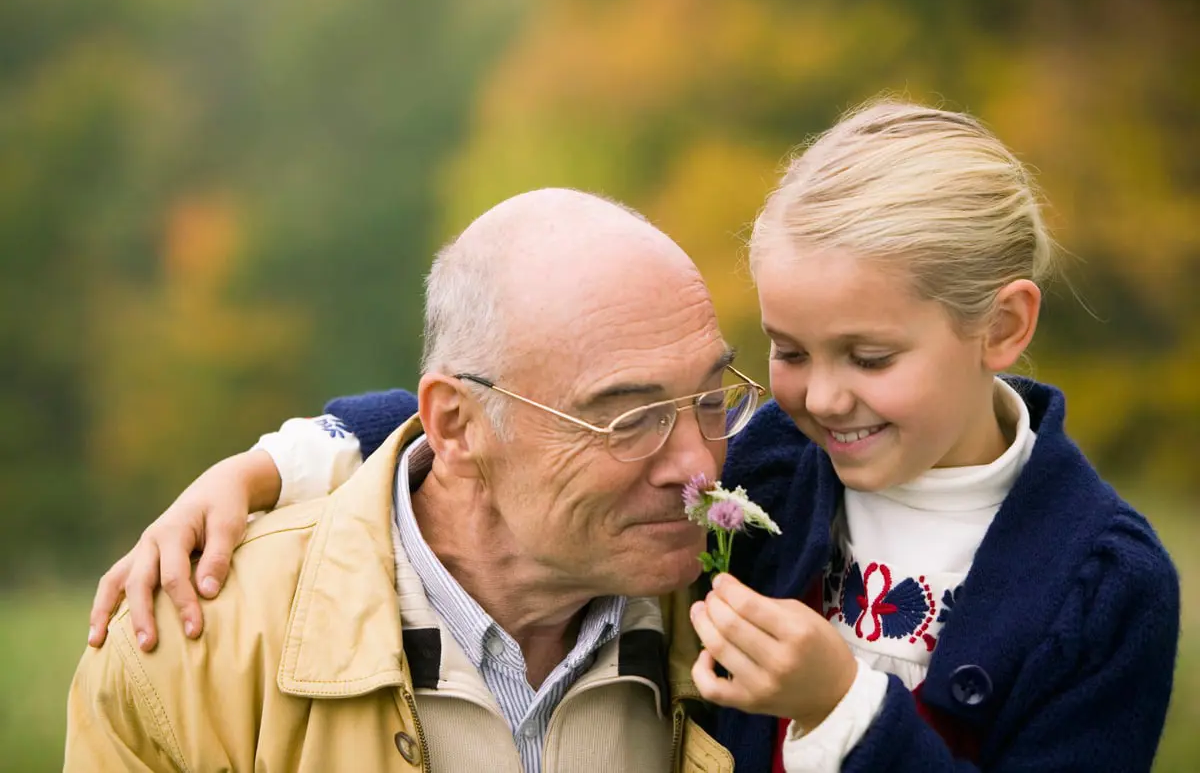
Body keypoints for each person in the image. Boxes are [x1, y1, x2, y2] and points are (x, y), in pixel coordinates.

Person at [86, 100, 1180, 772]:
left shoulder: (1099, 582)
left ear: (1005, 327)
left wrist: (846, 705)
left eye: (869, 358)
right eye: (788, 353)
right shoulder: (782, 469)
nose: (820, 398)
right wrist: (278, 458)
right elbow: (491, 410)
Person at [67, 188, 762, 772]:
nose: (699, 469)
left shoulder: (768, 608)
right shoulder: (189, 657)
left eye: (710, 401)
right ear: (457, 426)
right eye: (629, 418)